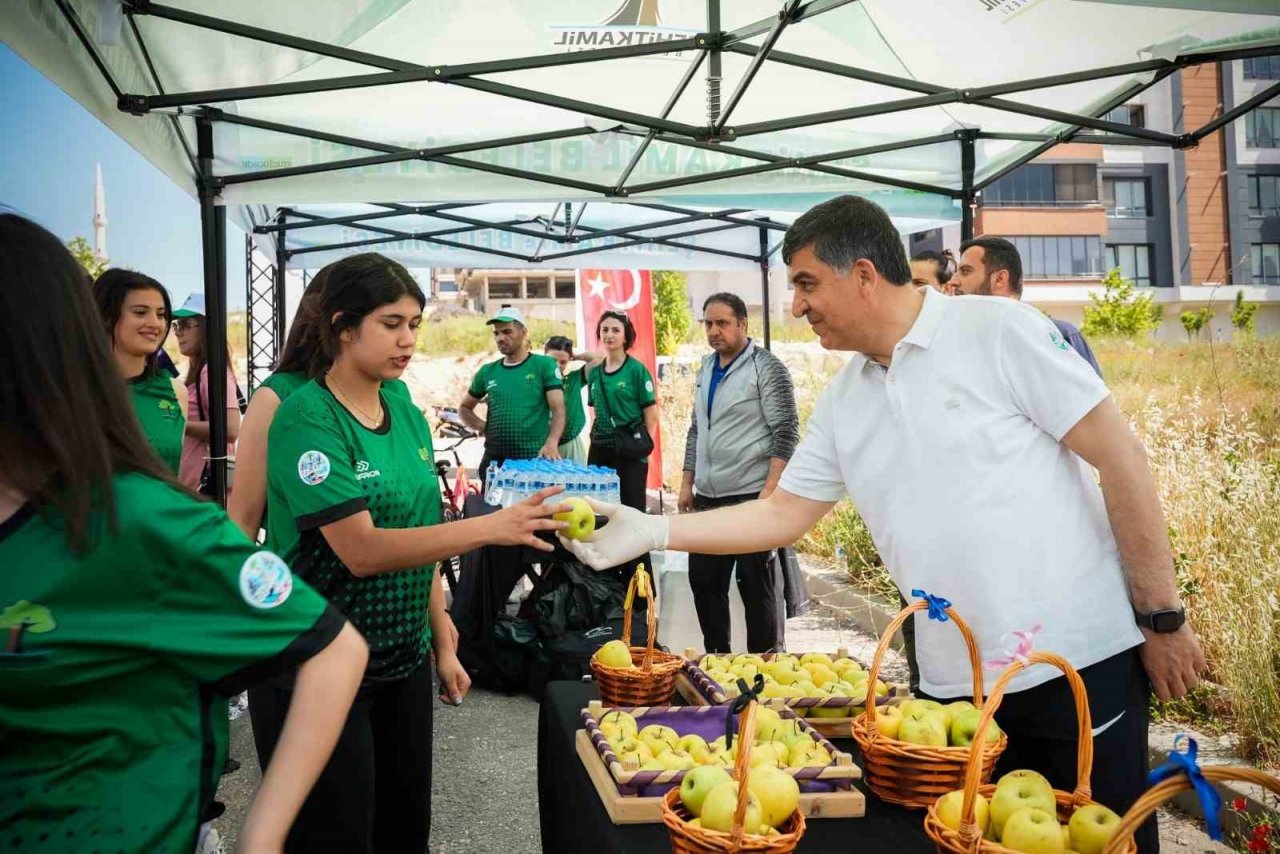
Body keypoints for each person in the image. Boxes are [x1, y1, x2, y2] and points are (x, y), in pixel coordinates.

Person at [562, 195, 1206, 854]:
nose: (797, 305)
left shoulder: (996, 331)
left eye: (808, 283)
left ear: (864, 274)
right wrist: (653, 531)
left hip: (1075, 670)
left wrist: (1160, 616)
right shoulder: (847, 399)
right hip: (954, 698)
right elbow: (782, 512)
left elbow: (1120, 458)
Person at [0, 212, 369, 853]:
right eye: (142, 313)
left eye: (167, 316)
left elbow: (334, 633)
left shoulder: (143, 515)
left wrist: (262, 837)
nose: (159, 326)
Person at [252, 253, 569, 852]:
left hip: (401, 662)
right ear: (344, 327)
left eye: (416, 324)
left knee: (404, 833)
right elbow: (363, 550)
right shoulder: (304, 418)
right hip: (321, 667)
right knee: (337, 837)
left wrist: (442, 640)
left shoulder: (402, 408)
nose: (408, 340)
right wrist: (491, 528)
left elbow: (421, 534)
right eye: (391, 323)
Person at [680, 292, 798, 653]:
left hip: (751, 496)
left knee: (756, 587)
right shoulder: (705, 367)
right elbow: (697, 428)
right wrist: (686, 482)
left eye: (722, 323)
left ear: (743, 324)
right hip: (708, 498)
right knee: (704, 583)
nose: (714, 331)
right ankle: (718, 662)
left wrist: (769, 492)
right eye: (708, 324)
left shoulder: (766, 367)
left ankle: (765, 666)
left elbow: (787, 430)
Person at [951, 236, 1103, 378]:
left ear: (999, 279)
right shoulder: (958, 339)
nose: (953, 281)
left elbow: (1096, 403)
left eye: (965, 271)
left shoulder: (1060, 334)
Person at [93, 268, 187, 473]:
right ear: (106, 316)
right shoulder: (72, 389)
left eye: (161, 315)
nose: (155, 323)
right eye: (140, 312)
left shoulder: (175, 390)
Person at [459, 307, 565, 487]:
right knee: (493, 514)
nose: (500, 338)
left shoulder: (543, 365)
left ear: (523, 332)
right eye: (497, 333)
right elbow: (464, 408)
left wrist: (552, 441)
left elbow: (558, 409)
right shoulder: (487, 371)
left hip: (533, 462)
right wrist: (482, 426)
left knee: (533, 515)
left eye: (507, 331)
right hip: (495, 463)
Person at [587, 310, 659, 514]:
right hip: (600, 450)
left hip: (630, 451)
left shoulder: (636, 370)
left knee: (631, 511)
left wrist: (644, 450)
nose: (609, 335)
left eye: (616, 330)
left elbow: (651, 415)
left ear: (626, 336)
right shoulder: (594, 373)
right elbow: (596, 410)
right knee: (600, 510)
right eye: (605, 330)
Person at [171, 293, 243, 492]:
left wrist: (177, 424)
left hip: (206, 486)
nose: (178, 332)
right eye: (176, 325)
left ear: (206, 328)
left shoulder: (209, 371)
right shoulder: (198, 372)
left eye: (186, 324)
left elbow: (231, 429)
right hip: (195, 486)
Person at [543, 335, 603, 464]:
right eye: (552, 360)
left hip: (571, 445)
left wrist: (576, 356)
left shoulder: (574, 379)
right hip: (543, 445)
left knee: (575, 483)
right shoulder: (534, 382)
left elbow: (599, 360)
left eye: (563, 361)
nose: (557, 365)